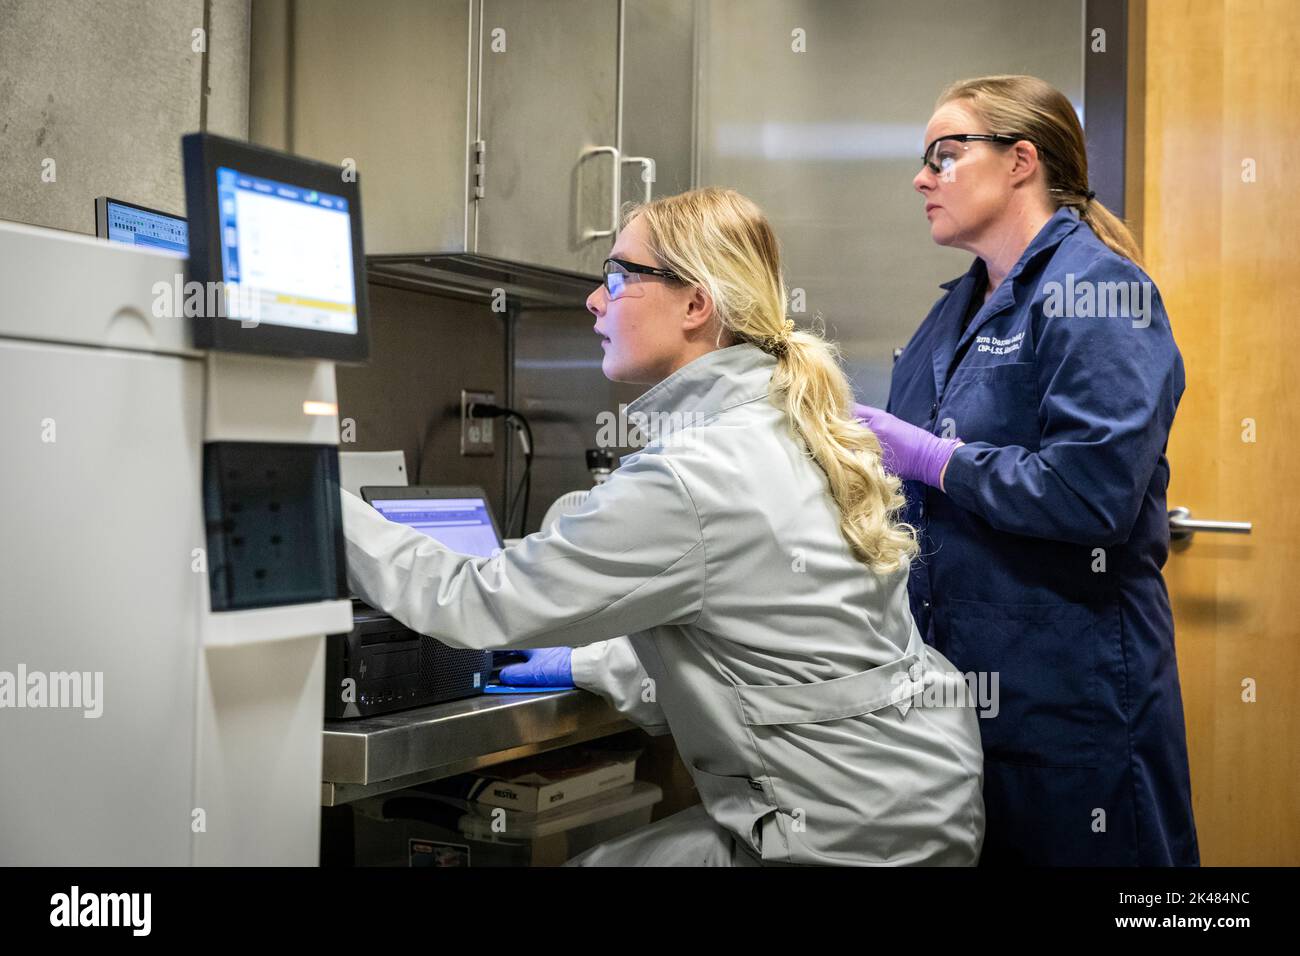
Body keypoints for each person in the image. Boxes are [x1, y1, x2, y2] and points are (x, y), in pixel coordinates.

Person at [341, 186, 985, 866]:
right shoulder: (792, 425)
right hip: (914, 799)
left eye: (618, 276)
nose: (595, 300)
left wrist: (322, 508)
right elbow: (771, 638)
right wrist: (587, 661)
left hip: (842, 835)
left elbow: (478, 600)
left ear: (697, 304)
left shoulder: (695, 470)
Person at [854, 75, 1198, 865]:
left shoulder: (1102, 293)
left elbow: (1092, 494)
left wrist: (937, 460)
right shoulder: (955, 309)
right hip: (960, 696)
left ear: (1020, 161)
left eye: (945, 153)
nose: (921, 177)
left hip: (1075, 695)